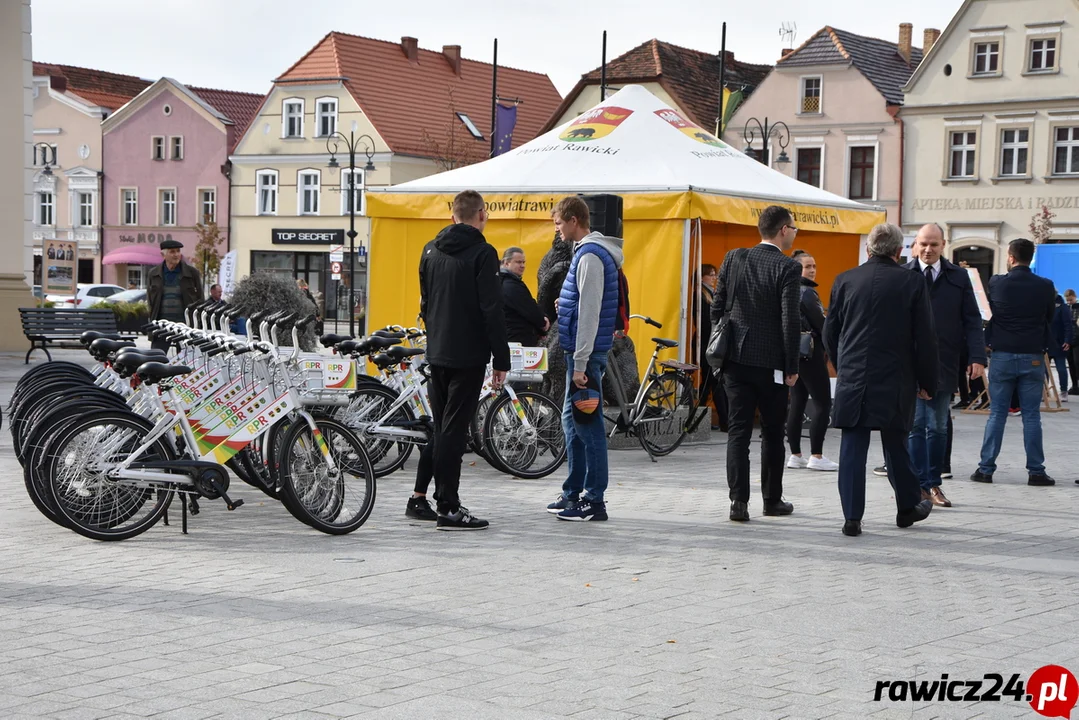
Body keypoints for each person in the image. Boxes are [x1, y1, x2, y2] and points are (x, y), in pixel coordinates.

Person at [823, 223, 937, 537]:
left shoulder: (845, 280)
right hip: (896, 376)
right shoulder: (912, 282)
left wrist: (842, 362)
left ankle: (852, 517)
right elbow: (924, 338)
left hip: (855, 375)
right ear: (899, 251)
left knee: (853, 446)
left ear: (869, 249)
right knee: (896, 444)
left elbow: (830, 332)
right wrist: (928, 380)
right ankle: (907, 506)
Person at [418, 190, 510, 530]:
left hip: (437, 351)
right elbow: (492, 309)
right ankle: (448, 506)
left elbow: (425, 303)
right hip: (468, 354)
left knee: (442, 428)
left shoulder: (430, 250)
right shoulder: (483, 253)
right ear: (482, 215)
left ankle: (425, 499)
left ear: (452, 213)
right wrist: (501, 357)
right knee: (453, 432)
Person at [712, 205, 801, 522]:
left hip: (735, 359)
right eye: (794, 228)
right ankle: (771, 500)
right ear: (783, 230)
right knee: (773, 433)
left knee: (738, 432)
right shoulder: (787, 267)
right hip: (772, 365)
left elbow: (718, 305)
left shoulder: (734, 257)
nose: (795, 233)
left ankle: (738, 503)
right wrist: (792, 366)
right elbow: (790, 320)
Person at [545, 196, 624, 522]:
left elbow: (591, 313)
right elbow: (584, 306)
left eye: (559, 223)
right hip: (585, 355)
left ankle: (594, 501)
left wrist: (579, 364)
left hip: (586, 358)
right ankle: (572, 492)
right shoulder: (588, 253)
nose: (558, 230)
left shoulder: (591, 256)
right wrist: (567, 308)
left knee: (588, 429)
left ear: (574, 220)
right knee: (571, 424)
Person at [903, 223, 986, 508]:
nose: (928, 249)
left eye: (933, 245)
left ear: (943, 245)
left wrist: (977, 357)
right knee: (915, 425)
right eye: (923, 244)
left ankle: (933, 482)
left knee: (937, 426)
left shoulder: (958, 277)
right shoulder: (904, 275)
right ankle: (918, 486)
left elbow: (972, 320)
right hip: (909, 362)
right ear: (916, 244)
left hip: (944, 361)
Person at [972, 238, 1057, 486]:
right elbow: (1048, 317)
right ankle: (1036, 471)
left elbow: (991, 313)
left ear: (1010, 257)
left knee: (997, 414)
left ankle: (985, 469)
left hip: (1002, 355)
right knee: (1031, 416)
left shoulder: (998, 283)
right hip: (1032, 355)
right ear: (1030, 258)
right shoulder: (1045, 286)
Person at [785, 250, 838, 471]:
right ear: (798, 269)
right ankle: (816, 455)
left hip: (794, 353)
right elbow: (822, 326)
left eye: (814, 266)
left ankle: (795, 454)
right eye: (808, 267)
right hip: (810, 352)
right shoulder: (806, 293)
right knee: (823, 402)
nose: (813, 270)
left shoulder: (788, 289)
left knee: (797, 402)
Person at [147, 238, 203, 351]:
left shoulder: (192, 273)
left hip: (184, 325)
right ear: (163, 254)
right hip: (161, 324)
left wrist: (197, 324)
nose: (176, 254)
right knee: (156, 358)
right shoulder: (153, 274)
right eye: (172, 252)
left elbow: (200, 299)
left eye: (178, 251)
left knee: (186, 360)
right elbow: (150, 301)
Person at [697, 263, 727, 431]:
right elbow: (706, 323)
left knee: (708, 383)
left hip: (709, 341)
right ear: (702, 277)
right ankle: (724, 420)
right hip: (707, 342)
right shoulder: (701, 295)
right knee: (713, 381)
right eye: (711, 275)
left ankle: (697, 419)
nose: (714, 278)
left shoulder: (709, 293)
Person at [499, 246, 549, 346]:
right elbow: (530, 309)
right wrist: (543, 323)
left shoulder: (503, 282)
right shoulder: (511, 285)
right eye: (518, 262)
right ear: (506, 263)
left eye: (523, 262)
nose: (522, 265)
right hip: (517, 341)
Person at [1049, 290, 1073, 402]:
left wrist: (1067, 340)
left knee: (1061, 368)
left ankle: (1063, 391)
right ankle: (1043, 391)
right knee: (1042, 369)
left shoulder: (1062, 307)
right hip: (1046, 342)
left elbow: (1068, 325)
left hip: (1059, 343)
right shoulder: (1045, 306)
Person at [1066, 289, 1079, 395]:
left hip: (1078, 339)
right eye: (1068, 300)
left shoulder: (1078, 307)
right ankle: (1074, 385)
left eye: (1071, 300)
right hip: (1069, 340)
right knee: (1071, 363)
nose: (1069, 302)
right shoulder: (1066, 308)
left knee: (1077, 362)